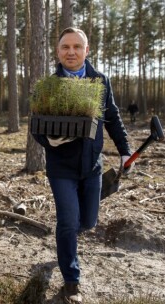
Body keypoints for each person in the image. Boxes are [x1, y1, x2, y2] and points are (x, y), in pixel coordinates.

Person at [32, 28, 134, 304]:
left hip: (92, 167)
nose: (71, 52)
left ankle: (68, 240)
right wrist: (48, 140)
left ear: (87, 50)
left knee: (87, 222)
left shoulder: (100, 81)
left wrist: (125, 151)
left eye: (77, 46)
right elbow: (36, 126)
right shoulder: (48, 86)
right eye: (65, 47)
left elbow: (112, 117)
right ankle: (71, 280)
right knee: (67, 223)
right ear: (58, 51)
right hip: (61, 167)